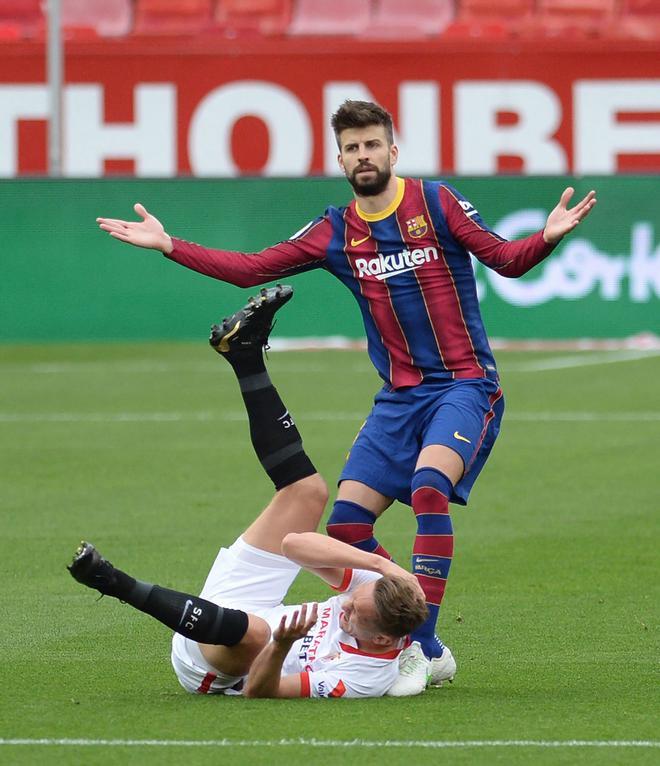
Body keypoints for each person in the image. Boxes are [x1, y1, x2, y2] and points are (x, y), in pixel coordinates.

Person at [96, 100, 597, 695]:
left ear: (392, 150)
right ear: (340, 159)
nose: (363, 156)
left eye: (372, 145)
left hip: (464, 385)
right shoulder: (336, 230)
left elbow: (504, 260)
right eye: (352, 148)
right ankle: (425, 646)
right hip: (399, 398)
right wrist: (169, 244)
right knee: (346, 524)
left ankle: (415, 647)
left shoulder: (435, 203)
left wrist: (545, 237)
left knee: (429, 488)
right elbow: (251, 269)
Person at [68, 286, 429, 699]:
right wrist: (382, 567)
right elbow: (294, 545)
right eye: (351, 601)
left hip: (222, 663)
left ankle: (116, 584)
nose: (342, 607)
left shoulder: (365, 677)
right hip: (251, 602)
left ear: (382, 641)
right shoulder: (379, 591)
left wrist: (281, 644)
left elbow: (261, 691)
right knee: (307, 492)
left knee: (256, 630)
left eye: (350, 614)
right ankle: (244, 354)